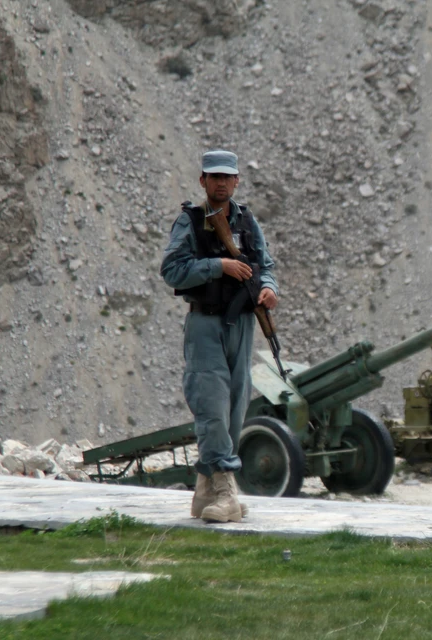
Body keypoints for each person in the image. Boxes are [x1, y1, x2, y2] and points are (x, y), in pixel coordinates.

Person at [160, 149, 278, 523]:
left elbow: (266, 264)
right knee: (210, 403)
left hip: (241, 323)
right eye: (214, 177)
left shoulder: (246, 221)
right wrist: (218, 266)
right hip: (205, 324)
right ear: (203, 181)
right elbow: (172, 271)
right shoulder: (190, 222)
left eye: (227, 177)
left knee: (235, 405)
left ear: (237, 181)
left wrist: (268, 289)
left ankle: (205, 491)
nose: (221, 183)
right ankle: (226, 490)